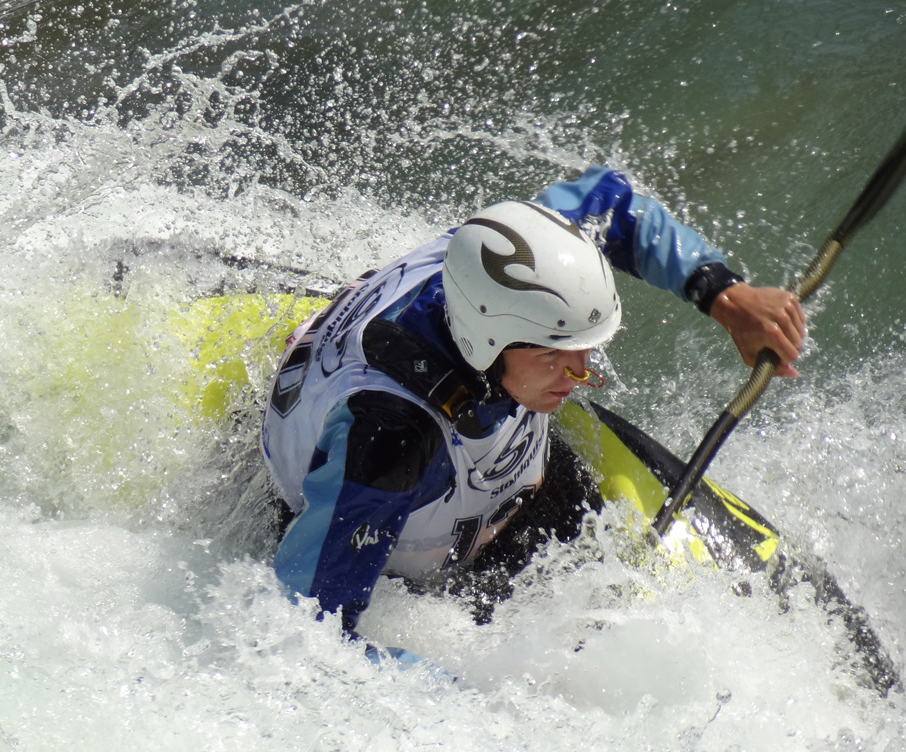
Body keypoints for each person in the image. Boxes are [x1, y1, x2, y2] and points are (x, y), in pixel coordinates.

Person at [260, 165, 806, 666]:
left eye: (585, 348)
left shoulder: (507, 257)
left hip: (486, 482)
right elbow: (309, 633)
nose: (581, 373)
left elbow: (609, 200)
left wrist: (725, 296)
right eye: (554, 354)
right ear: (488, 340)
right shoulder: (390, 444)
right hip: (387, 534)